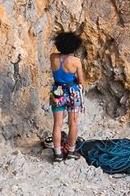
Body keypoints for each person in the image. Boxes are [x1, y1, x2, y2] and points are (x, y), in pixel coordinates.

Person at [49, 29, 85, 160]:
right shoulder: (75, 61)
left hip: (57, 91)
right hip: (72, 92)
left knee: (57, 124)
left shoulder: (53, 57)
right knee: (73, 123)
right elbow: (80, 80)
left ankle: (57, 153)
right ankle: (71, 151)